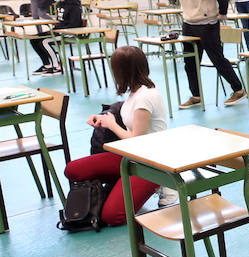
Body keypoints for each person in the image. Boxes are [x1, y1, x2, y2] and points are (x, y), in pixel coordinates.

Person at [64, 46, 173, 225]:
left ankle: (161, 182)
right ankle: (124, 185)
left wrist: (111, 125)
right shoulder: (135, 91)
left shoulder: (145, 97)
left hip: (150, 162)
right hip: (131, 157)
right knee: (73, 170)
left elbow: (137, 139)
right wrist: (104, 118)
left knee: (112, 217)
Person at [162, 0, 247, 109]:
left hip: (207, 21)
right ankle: (196, 96)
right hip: (190, 22)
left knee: (217, 58)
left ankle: (238, 90)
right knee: (190, 63)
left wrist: (223, 11)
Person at [30, 0, 83, 76]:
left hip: (70, 32)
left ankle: (57, 67)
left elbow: (74, 23)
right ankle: (47, 65)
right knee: (34, 39)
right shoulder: (59, 4)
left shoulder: (73, 4)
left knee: (44, 41)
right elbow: (59, 21)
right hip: (59, 30)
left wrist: (59, 30)